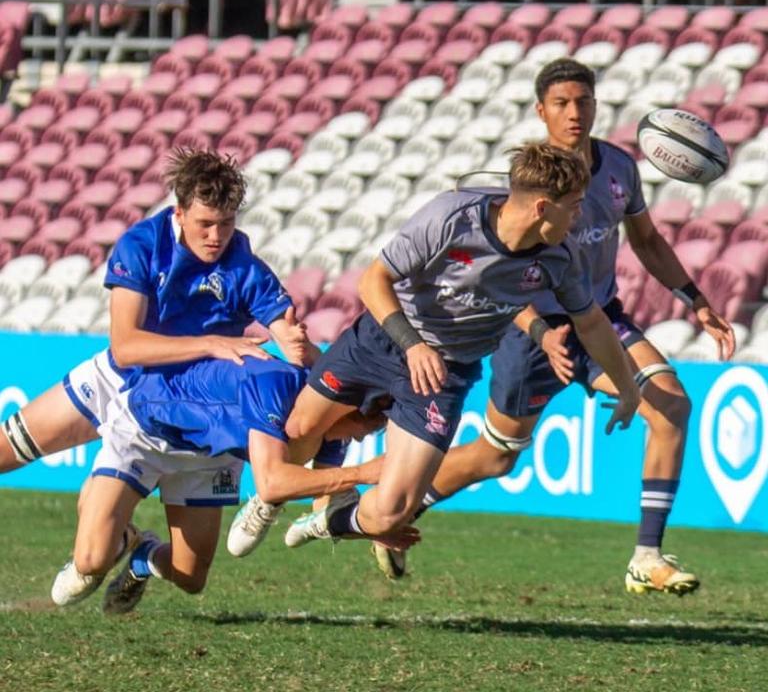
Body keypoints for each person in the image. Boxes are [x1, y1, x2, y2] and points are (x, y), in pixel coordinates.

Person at [373, 58, 736, 593]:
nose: (575, 112)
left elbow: (649, 242)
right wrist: (537, 327)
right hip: (531, 326)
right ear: (541, 111)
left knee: (671, 405)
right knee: (496, 457)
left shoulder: (618, 169)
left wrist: (695, 299)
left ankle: (647, 556)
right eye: (562, 103)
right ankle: (391, 516)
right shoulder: (518, 181)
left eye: (584, 101)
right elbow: (491, 270)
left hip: (598, 317)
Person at [276, 142, 641, 556]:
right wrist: (412, 345)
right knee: (297, 433)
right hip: (385, 340)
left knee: (392, 512)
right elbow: (372, 281)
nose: (580, 217)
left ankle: (327, 520)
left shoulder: (562, 256)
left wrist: (628, 386)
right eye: (574, 206)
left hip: (444, 374)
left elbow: (591, 321)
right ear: (542, 207)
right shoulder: (451, 216)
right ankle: (267, 500)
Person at [0, 148, 312, 474]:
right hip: (118, 379)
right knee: (6, 451)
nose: (216, 236)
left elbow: (293, 345)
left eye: (226, 223)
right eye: (205, 224)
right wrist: (211, 343)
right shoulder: (142, 245)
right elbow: (125, 349)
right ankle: (125, 529)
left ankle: (127, 527)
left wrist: (300, 348)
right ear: (179, 213)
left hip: (195, 404)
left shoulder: (246, 268)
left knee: (133, 519)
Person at [50, 354, 403, 614]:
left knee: (190, 578)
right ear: (346, 408)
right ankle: (107, 518)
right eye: (363, 430)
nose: (358, 441)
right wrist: (362, 473)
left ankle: (140, 554)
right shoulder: (275, 386)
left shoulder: (332, 428)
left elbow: (324, 504)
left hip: (212, 457)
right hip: (146, 431)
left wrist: (372, 527)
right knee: (88, 567)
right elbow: (276, 481)